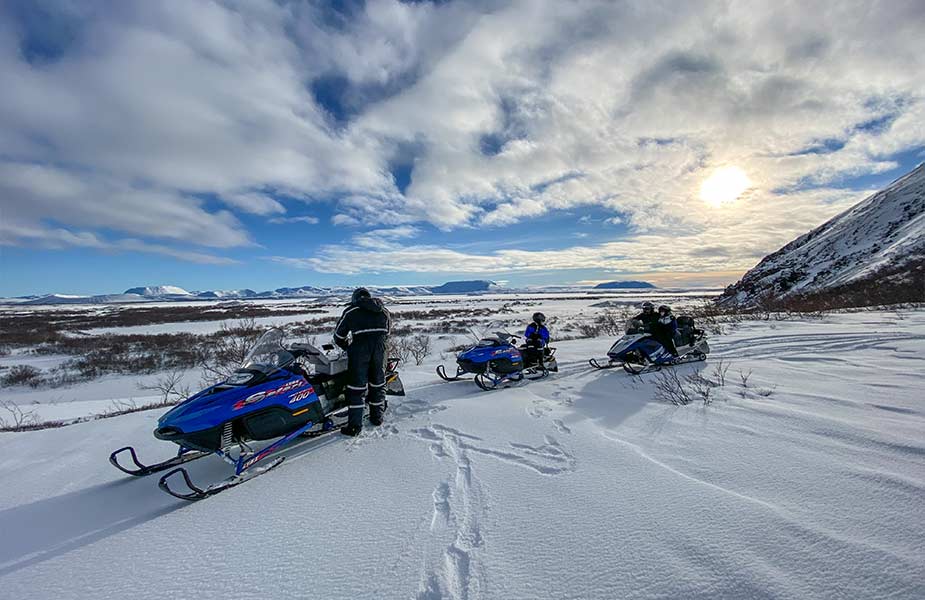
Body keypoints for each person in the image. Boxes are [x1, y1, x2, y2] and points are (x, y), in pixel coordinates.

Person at [333, 288, 391, 436]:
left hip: (360, 351)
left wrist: (348, 348)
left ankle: (355, 427)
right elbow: (387, 333)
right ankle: (377, 418)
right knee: (378, 385)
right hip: (381, 350)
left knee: (356, 389)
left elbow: (339, 336)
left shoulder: (351, 311)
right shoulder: (384, 311)